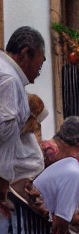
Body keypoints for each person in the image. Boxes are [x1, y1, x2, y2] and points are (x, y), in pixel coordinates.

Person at [0, 27, 46, 212]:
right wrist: (3, 182)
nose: (38, 74)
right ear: (25, 53)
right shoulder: (11, 80)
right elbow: (6, 130)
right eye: (40, 65)